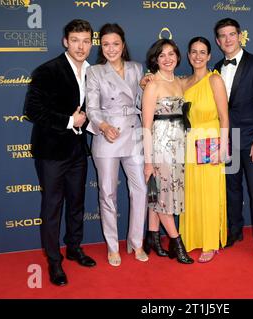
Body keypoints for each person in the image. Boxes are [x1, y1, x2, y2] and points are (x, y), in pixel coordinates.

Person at [23, 19, 96, 286]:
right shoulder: (48, 70)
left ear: (91, 43)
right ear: (65, 41)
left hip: (78, 150)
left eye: (86, 41)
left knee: (77, 203)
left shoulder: (94, 71)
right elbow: (32, 110)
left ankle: (74, 247)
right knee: (53, 207)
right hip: (52, 152)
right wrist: (69, 121)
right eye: (75, 40)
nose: (81, 46)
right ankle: (54, 261)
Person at [213, 18, 253, 268]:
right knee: (232, 190)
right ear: (218, 41)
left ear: (240, 36)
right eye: (223, 36)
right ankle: (235, 231)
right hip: (228, 141)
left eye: (232, 34)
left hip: (252, 142)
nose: (228, 39)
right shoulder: (216, 68)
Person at [85, 23, 148, 267]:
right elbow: (91, 107)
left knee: (140, 189)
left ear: (123, 45)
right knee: (108, 193)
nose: (111, 48)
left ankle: (137, 241)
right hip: (106, 136)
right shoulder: (95, 72)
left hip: (133, 134)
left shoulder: (136, 68)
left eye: (116, 43)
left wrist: (147, 86)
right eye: (106, 44)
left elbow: (142, 103)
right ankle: (113, 246)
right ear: (101, 46)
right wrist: (103, 126)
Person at [142, 39, 193, 264]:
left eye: (171, 54)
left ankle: (153, 237)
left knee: (160, 192)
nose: (168, 59)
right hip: (160, 147)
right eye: (162, 55)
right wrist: (148, 161)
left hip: (179, 146)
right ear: (155, 59)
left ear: (178, 56)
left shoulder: (180, 83)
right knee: (163, 194)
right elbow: (145, 126)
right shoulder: (152, 85)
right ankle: (176, 242)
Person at [178, 37, 229, 263]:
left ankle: (209, 242)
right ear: (188, 56)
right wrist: (146, 79)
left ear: (209, 56)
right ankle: (189, 238)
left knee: (208, 193)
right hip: (188, 141)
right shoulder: (183, 83)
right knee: (190, 192)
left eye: (202, 52)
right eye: (193, 52)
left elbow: (224, 116)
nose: (198, 56)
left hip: (210, 140)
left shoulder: (214, 80)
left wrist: (224, 147)